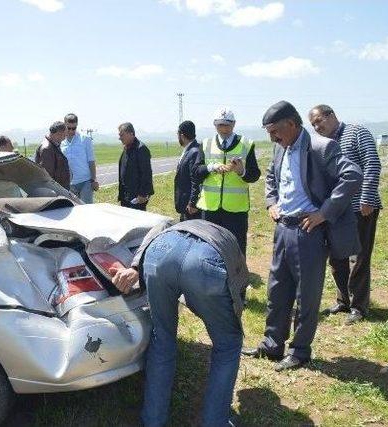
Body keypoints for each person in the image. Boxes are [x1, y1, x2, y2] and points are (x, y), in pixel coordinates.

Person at [242, 101, 362, 371]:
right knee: (276, 289)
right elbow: (272, 177)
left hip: (309, 232)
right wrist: (271, 202)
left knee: (306, 295)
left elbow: (353, 175)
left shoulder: (321, 147)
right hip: (282, 229)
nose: (272, 137)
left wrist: (324, 212)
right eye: (268, 132)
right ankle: (273, 344)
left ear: (293, 125)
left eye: (275, 131)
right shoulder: (278, 148)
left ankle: (300, 351)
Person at [110, 219, 247, 427]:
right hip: (206, 262)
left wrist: (135, 267)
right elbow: (237, 290)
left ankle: (153, 421)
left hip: (159, 254)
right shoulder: (230, 241)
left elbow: (158, 228)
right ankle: (215, 422)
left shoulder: (176, 224)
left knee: (162, 340)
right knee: (229, 344)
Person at [309, 104, 382, 325]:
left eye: (319, 121)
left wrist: (367, 198)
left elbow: (372, 164)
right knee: (336, 255)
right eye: (313, 125)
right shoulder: (323, 144)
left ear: (332, 116)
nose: (317, 126)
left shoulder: (357, 132)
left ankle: (359, 306)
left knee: (359, 256)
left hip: (360, 206)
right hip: (334, 209)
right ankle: (343, 300)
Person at [195, 108, 260, 255]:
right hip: (210, 207)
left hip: (236, 209)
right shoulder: (205, 144)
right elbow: (196, 172)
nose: (224, 128)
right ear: (214, 124)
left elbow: (255, 175)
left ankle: (237, 277)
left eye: (228, 124)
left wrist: (241, 172)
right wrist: (211, 167)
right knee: (208, 246)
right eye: (220, 125)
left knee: (236, 246)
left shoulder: (246, 144)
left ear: (234, 124)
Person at [61, 113, 99, 203]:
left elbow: (91, 161)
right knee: (73, 210)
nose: (71, 131)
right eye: (68, 128)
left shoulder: (85, 139)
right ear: (64, 125)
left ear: (77, 125)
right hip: (69, 184)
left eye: (73, 128)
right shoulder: (60, 141)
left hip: (86, 182)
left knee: (87, 209)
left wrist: (93, 180)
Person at [117, 122, 154, 211]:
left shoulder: (141, 149)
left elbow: (146, 174)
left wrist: (143, 194)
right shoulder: (126, 148)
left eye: (122, 135)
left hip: (137, 197)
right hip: (126, 196)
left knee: (138, 222)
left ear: (131, 134)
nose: (120, 138)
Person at [174, 120, 204, 221]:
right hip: (185, 205)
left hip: (190, 208)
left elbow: (196, 179)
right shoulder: (189, 149)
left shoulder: (194, 151)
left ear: (181, 135)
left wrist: (193, 202)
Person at [35, 121, 71, 190]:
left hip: (59, 189)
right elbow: (47, 175)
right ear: (58, 134)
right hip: (55, 191)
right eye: (64, 135)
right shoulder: (47, 149)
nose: (64, 138)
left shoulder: (53, 146)